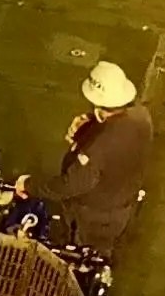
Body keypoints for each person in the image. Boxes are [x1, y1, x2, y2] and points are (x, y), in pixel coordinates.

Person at [49, 58, 154, 252]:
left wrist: (31, 186)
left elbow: (73, 184)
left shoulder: (99, 145)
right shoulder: (142, 116)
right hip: (122, 206)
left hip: (95, 217)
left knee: (83, 257)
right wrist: (92, 124)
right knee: (104, 251)